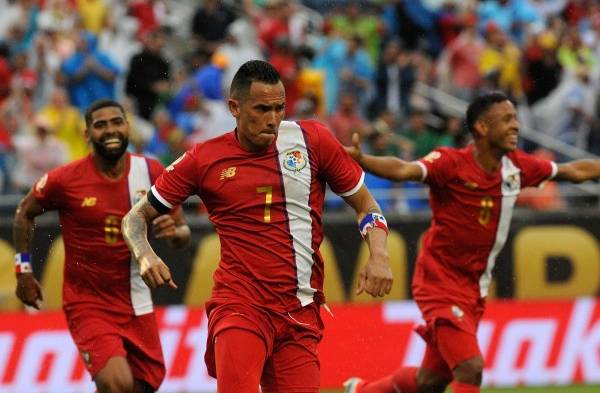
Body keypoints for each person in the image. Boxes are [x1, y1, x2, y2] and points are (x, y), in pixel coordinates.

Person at [121, 60, 394, 393]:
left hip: (299, 311)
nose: (273, 119)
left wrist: (379, 254)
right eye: (262, 109)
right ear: (234, 107)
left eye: (279, 108)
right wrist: (145, 253)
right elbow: (135, 217)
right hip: (240, 306)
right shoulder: (204, 159)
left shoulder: (314, 140)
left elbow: (366, 205)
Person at [343, 91, 600, 393]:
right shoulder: (451, 163)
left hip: (473, 289)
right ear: (482, 128)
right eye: (506, 119)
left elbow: (573, 171)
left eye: (515, 118)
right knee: (470, 368)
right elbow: (404, 169)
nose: (515, 126)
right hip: (439, 282)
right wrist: (363, 160)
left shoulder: (516, 168)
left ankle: (360, 391)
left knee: (431, 381)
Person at [13, 99, 191, 393]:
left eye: (116, 122)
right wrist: (23, 272)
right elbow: (23, 213)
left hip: (137, 298)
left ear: (127, 127)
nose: (110, 130)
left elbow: (183, 232)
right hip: (88, 302)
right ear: (87, 134)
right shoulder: (66, 179)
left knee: (145, 385)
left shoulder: (150, 172)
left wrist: (174, 232)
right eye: (100, 125)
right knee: (116, 382)